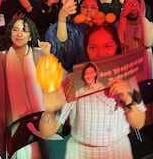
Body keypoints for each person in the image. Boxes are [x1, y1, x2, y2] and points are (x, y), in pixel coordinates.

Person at [39, 25, 146, 159]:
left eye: (107, 46)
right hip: (83, 152)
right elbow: (46, 131)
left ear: (117, 46)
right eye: (93, 47)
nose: (100, 53)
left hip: (120, 150)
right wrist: (50, 109)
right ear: (86, 49)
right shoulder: (73, 81)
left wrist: (127, 98)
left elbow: (139, 123)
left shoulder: (128, 77)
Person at [0, 17, 52, 157]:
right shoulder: (0, 58)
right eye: (15, 30)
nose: (19, 34)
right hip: (14, 120)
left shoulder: (39, 54)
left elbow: (54, 83)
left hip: (41, 119)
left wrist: (48, 56)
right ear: (10, 33)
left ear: (31, 35)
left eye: (24, 31)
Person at [45, 0, 102, 72]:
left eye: (93, 7)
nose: (88, 10)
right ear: (79, 9)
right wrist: (61, 17)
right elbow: (61, 43)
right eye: (84, 7)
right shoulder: (71, 26)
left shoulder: (103, 28)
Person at [117, 0, 153, 82]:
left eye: (135, 4)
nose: (132, 8)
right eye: (129, 4)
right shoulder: (120, 24)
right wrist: (123, 14)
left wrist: (141, 15)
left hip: (144, 63)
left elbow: (148, 42)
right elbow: (121, 40)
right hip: (127, 64)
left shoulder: (147, 23)